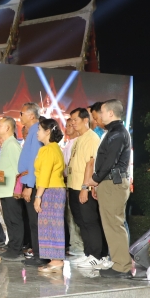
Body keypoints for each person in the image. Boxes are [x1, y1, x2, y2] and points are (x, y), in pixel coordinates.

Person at [85, 99, 132, 278]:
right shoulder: (114, 132)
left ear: (111, 113)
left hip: (113, 183)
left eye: (102, 112)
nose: (99, 115)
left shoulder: (117, 133)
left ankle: (122, 266)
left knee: (114, 224)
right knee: (112, 224)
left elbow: (110, 160)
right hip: (110, 183)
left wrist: (95, 179)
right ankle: (119, 263)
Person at [67, 108, 107, 269]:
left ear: (85, 120)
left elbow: (91, 164)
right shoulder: (78, 139)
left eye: (75, 120)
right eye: (71, 120)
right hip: (73, 186)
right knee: (81, 222)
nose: (72, 123)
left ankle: (97, 256)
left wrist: (85, 187)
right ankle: (88, 253)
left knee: (90, 221)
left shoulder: (91, 138)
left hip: (84, 187)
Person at [33, 118, 67, 273]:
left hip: (50, 191)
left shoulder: (48, 150)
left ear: (48, 132)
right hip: (54, 190)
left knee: (52, 225)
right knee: (50, 224)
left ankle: (57, 261)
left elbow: (45, 175)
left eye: (39, 129)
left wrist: (38, 197)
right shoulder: (54, 148)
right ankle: (54, 259)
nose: (37, 132)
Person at [18, 102, 46, 266]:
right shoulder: (33, 131)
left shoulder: (36, 130)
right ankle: (37, 253)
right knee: (33, 222)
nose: (20, 117)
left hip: (33, 183)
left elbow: (35, 160)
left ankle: (40, 255)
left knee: (36, 222)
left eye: (21, 113)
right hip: (29, 180)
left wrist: (29, 186)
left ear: (30, 115)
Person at [0, 117, 25, 261]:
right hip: (4, 189)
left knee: (14, 220)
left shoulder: (13, 144)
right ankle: (12, 247)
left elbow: (20, 170)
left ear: (7, 128)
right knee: (8, 220)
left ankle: (17, 250)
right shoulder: (6, 144)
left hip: (11, 190)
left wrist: (18, 189)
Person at [61, 118, 85, 257]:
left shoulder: (78, 142)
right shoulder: (68, 144)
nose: (68, 128)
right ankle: (74, 245)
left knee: (76, 216)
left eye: (71, 125)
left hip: (77, 184)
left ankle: (79, 247)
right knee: (70, 216)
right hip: (68, 183)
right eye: (67, 125)